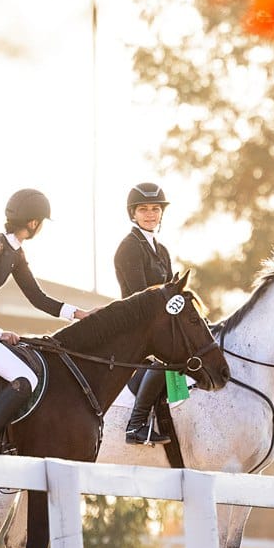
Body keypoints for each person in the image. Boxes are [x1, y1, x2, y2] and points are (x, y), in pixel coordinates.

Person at [0, 188, 89, 454]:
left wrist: (81, 315)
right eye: (41, 222)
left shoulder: (15, 254)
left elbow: (37, 297)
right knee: (24, 377)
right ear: (34, 223)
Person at [115, 181, 175, 445]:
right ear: (133, 214)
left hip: (160, 321)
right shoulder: (129, 247)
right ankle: (136, 424)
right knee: (167, 356)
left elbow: (172, 292)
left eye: (155, 208)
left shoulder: (161, 250)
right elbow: (142, 296)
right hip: (137, 323)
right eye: (143, 209)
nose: (150, 214)